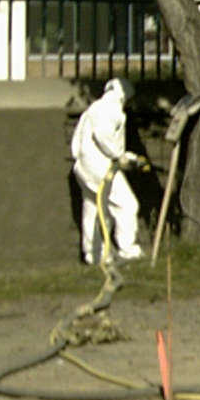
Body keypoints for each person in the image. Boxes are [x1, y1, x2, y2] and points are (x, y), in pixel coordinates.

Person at [72, 79, 144, 268]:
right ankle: (128, 250)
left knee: (93, 208)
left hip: (84, 165)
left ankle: (94, 254)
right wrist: (120, 156)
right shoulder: (109, 108)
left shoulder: (94, 109)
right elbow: (104, 137)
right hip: (99, 166)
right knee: (127, 205)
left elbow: (78, 141)